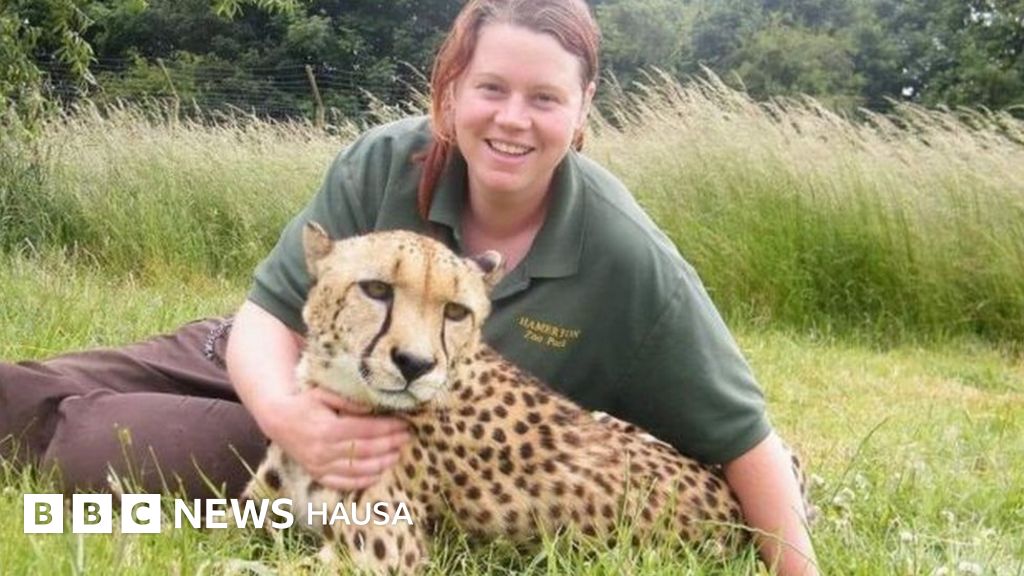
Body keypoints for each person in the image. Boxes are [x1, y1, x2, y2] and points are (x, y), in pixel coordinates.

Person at [0, 0, 818, 573]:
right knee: (20, 391)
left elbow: (746, 436)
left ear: (583, 108)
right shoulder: (387, 159)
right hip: (283, 353)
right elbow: (267, 317)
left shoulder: (626, 255)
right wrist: (286, 412)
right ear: (452, 87)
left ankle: (57, 441)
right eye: (491, 88)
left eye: (544, 98)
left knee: (103, 447)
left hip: (380, 430)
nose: (512, 119)